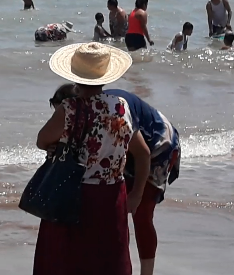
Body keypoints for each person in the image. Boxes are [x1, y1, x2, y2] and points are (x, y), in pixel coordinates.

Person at [34, 43, 150, 275]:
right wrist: (136, 194)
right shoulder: (121, 106)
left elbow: (41, 140)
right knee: (108, 262)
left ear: (74, 76)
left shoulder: (69, 108)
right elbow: (143, 152)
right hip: (112, 196)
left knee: (65, 263)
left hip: (72, 196)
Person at [48, 84, 180, 275]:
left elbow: (143, 153)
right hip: (127, 149)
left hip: (158, 145)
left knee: (141, 214)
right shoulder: (84, 109)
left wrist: (136, 194)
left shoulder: (114, 108)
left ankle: (146, 272)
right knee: (113, 213)